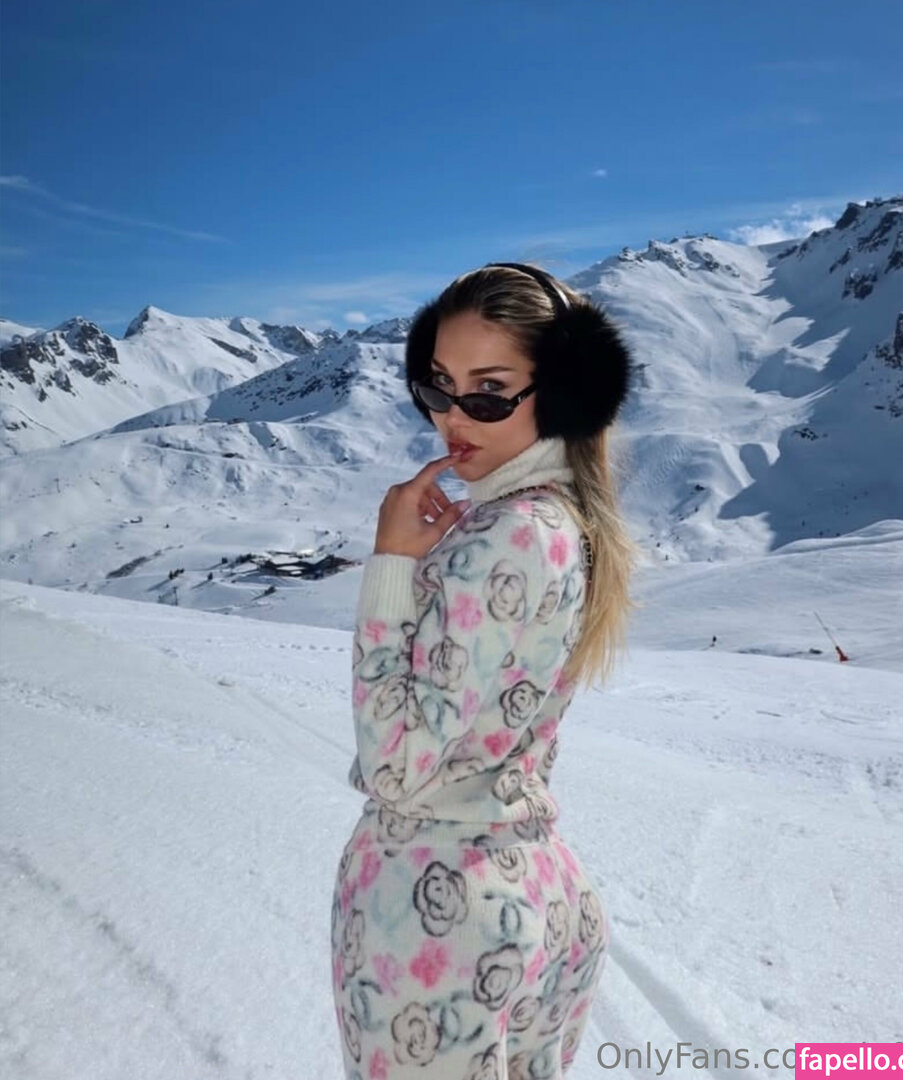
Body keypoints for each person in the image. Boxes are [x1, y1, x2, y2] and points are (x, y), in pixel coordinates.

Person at [330, 261, 638, 1079]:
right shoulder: (559, 523)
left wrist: (392, 565)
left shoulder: (509, 533)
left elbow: (396, 766)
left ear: (566, 394)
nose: (452, 418)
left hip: (438, 909)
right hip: (537, 888)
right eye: (438, 387)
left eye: (489, 393)